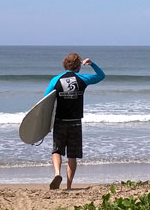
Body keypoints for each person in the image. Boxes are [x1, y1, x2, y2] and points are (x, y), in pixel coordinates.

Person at [44, 52, 105, 189]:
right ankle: (69, 186)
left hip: (60, 121)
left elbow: (45, 100)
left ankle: (57, 173)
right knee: (72, 155)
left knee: (56, 150)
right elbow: (101, 76)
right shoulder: (83, 79)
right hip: (75, 122)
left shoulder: (56, 80)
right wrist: (92, 64)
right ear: (78, 66)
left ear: (65, 64)